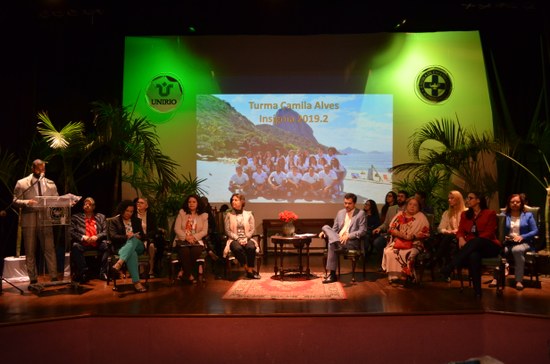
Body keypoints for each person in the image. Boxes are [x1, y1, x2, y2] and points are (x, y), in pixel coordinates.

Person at [441, 192, 500, 298]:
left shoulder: (490, 213)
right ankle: (478, 291)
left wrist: (470, 241)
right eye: (467, 198)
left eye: (470, 198)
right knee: (474, 255)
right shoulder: (465, 215)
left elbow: (489, 233)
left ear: (478, 200)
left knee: (476, 241)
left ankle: (450, 266)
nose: (467, 200)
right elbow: (460, 231)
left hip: (489, 245)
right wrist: (460, 238)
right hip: (472, 247)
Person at [12, 159, 60, 287]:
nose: (42, 171)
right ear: (33, 169)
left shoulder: (51, 183)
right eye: (39, 169)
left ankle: (54, 276)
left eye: (43, 169)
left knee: (50, 248)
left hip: (45, 219)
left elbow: (57, 199)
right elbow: (15, 201)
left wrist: (65, 202)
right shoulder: (22, 183)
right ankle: (33, 279)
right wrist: (26, 202)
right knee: (30, 250)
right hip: (29, 218)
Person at [489, 194, 538, 291]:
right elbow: (497, 230)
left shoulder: (528, 215)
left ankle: (519, 280)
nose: (515, 204)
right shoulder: (503, 215)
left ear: (521, 203)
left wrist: (522, 236)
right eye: (512, 202)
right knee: (499, 250)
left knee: (517, 250)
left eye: (517, 202)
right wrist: (503, 236)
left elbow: (535, 231)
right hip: (508, 242)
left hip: (523, 242)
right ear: (509, 203)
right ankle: (495, 278)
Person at [319, 193, 366, 283]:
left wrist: (348, 236)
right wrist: (326, 232)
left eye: (349, 203)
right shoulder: (340, 213)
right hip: (338, 239)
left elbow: (362, 231)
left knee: (331, 244)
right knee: (325, 227)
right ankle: (338, 245)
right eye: (345, 203)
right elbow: (334, 229)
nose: (346, 205)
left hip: (350, 242)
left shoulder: (361, 214)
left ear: (354, 203)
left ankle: (332, 275)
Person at [381, 197, 430, 283]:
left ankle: (406, 276)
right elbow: (391, 228)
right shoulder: (400, 214)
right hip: (399, 242)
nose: (412, 206)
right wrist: (401, 235)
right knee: (390, 252)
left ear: (419, 207)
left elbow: (426, 233)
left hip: (415, 243)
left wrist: (413, 236)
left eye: (415, 205)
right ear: (406, 205)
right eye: (410, 204)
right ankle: (393, 276)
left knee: (408, 253)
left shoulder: (421, 217)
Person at [109, 200, 147, 293]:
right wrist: (126, 236)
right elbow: (113, 236)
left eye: (131, 211)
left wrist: (138, 236)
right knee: (132, 253)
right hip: (123, 247)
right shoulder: (114, 221)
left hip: (138, 246)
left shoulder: (136, 221)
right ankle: (137, 283)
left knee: (133, 239)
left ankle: (119, 263)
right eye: (127, 211)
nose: (129, 213)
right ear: (122, 210)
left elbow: (143, 235)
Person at [70, 197, 109, 282]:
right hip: (84, 243)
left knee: (107, 246)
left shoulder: (101, 217)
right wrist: (83, 237)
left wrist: (97, 236)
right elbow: (71, 231)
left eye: (89, 204)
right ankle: (83, 272)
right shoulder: (76, 217)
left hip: (97, 242)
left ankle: (103, 272)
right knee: (76, 246)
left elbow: (106, 231)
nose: (87, 205)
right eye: (85, 204)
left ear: (94, 207)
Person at [223, 193, 260, 279]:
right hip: (233, 239)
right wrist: (238, 239)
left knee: (251, 247)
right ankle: (248, 269)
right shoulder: (229, 215)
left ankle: (250, 269)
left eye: (236, 200)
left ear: (242, 202)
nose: (233, 202)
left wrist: (246, 238)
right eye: (232, 200)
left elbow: (252, 229)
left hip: (247, 238)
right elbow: (227, 230)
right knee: (237, 248)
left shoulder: (249, 214)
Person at [173, 194, 209, 284]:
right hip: (182, 239)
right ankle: (189, 274)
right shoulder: (182, 213)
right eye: (189, 202)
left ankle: (185, 273)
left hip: (196, 240)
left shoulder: (204, 215)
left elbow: (204, 231)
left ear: (198, 203)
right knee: (185, 251)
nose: (191, 204)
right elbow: (176, 228)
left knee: (195, 251)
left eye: (194, 202)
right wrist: (186, 237)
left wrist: (194, 237)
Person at [371, 190, 409, 267]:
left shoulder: (409, 209)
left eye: (402, 197)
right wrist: (379, 228)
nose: (399, 198)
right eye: (398, 196)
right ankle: (385, 263)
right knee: (377, 242)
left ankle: (398, 265)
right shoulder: (391, 209)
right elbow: (386, 223)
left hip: (403, 235)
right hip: (390, 234)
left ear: (406, 199)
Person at [433, 190, 466, 268]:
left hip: (461, 237)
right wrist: (446, 231)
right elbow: (441, 227)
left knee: (448, 240)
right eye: (449, 198)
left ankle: (436, 257)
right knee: (446, 239)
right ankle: (446, 268)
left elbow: (466, 228)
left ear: (458, 199)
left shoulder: (465, 212)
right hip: (448, 237)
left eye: (452, 198)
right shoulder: (447, 213)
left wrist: (455, 231)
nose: (449, 200)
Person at [134, 197, 161, 278]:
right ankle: (141, 270)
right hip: (137, 238)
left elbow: (154, 229)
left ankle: (151, 270)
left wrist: (146, 236)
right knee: (138, 245)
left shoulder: (151, 215)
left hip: (149, 238)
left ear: (146, 206)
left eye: (141, 203)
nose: (138, 204)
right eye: (138, 202)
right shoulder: (133, 215)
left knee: (152, 246)